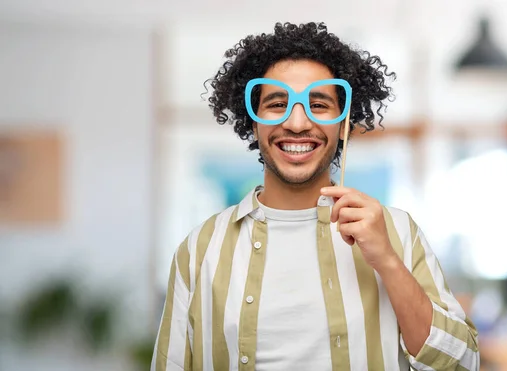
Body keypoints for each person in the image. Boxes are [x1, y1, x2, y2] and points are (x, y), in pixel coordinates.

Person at [151, 22, 479, 371]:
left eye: (318, 105)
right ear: (255, 121)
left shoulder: (398, 233)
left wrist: (387, 260)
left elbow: (462, 364)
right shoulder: (200, 249)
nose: (296, 122)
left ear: (343, 125)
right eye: (277, 103)